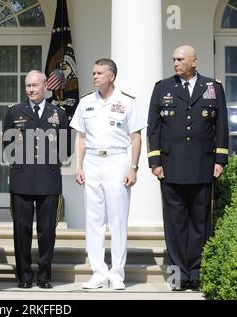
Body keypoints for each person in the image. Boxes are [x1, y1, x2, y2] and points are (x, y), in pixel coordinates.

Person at [147, 45, 229, 291]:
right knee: (174, 224)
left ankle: (197, 274)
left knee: (200, 223)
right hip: (171, 167)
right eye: (174, 59)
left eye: (180, 59)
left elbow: (222, 125)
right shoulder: (162, 88)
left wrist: (220, 160)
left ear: (194, 61)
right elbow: (153, 128)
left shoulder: (213, 88)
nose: (175, 63)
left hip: (203, 165)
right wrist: (155, 162)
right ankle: (177, 276)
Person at [70, 59, 146, 290]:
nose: (94, 76)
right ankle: (98, 272)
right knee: (93, 220)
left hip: (116, 160)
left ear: (111, 76)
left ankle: (117, 273)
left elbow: (135, 137)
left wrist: (133, 167)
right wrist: (79, 167)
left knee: (117, 219)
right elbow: (80, 137)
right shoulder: (85, 102)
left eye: (99, 73)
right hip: (92, 161)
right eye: (93, 72)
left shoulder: (127, 102)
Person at [3, 70, 68, 289]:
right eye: (28, 86)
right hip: (22, 178)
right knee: (21, 229)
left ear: (45, 87)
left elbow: (65, 148)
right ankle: (24, 276)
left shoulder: (58, 113)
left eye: (35, 85)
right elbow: (7, 147)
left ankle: (44, 276)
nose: (31, 89)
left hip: (48, 178)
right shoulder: (14, 112)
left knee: (47, 230)